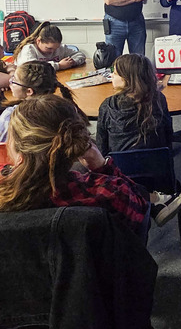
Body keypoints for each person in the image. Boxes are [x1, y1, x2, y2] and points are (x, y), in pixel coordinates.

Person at [0, 95, 150, 239]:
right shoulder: (109, 191)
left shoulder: (4, 194)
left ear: (19, 149)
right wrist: (103, 166)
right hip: (95, 264)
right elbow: (139, 211)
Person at [96, 53, 173, 155]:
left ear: (127, 79)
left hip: (119, 167)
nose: (111, 76)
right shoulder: (159, 99)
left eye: (115, 73)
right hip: (156, 166)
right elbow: (168, 133)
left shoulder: (108, 106)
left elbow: (101, 146)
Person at [0, 59, 87, 142]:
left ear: (29, 91)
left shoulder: (11, 116)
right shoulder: (66, 108)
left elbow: (2, 145)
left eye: (14, 80)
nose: (10, 83)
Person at [14, 21, 86, 71]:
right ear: (38, 41)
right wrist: (59, 66)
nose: (52, 51)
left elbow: (80, 54)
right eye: (49, 48)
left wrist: (72, 62)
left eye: (56, 48)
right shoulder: (29, 49)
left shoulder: (60, 48)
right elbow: (30, 68)